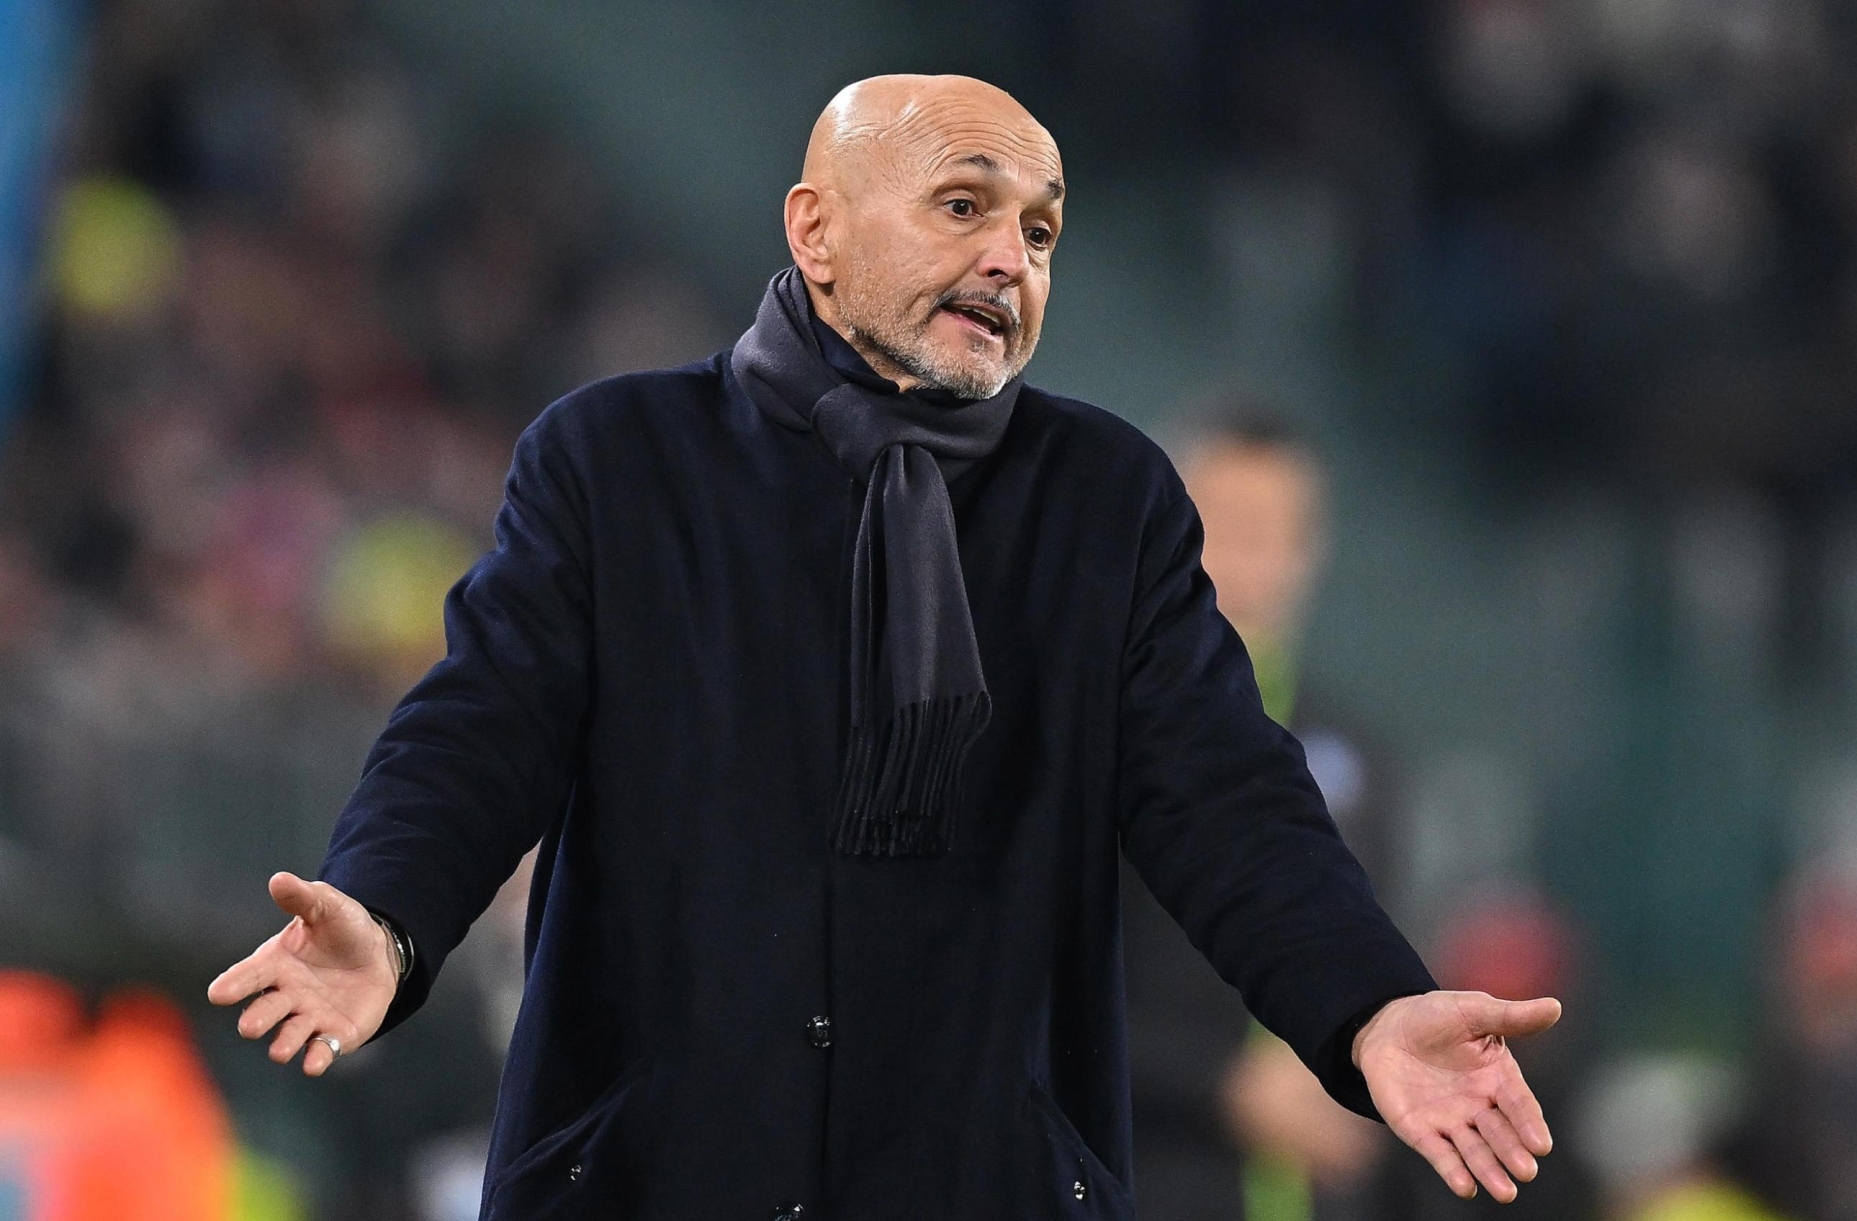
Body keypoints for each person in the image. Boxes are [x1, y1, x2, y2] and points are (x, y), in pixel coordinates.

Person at [204, 74, 1561, 1219]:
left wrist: (1370, 1006)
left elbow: (1231, 800)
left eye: (1042, 230)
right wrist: (382, 914)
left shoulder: (1105, 502)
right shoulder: (621, 462)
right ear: (817, 230)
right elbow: (479, 727)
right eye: (963, 205)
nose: (1010, 257)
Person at [1121, 406, 1409, 1221]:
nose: (1240, 560)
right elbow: (1034, 994)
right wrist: (1222, 1084)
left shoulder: (1362, 760)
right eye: (1217, 524)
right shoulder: (1095, 735)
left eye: (1268, 531)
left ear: (1308, 550)